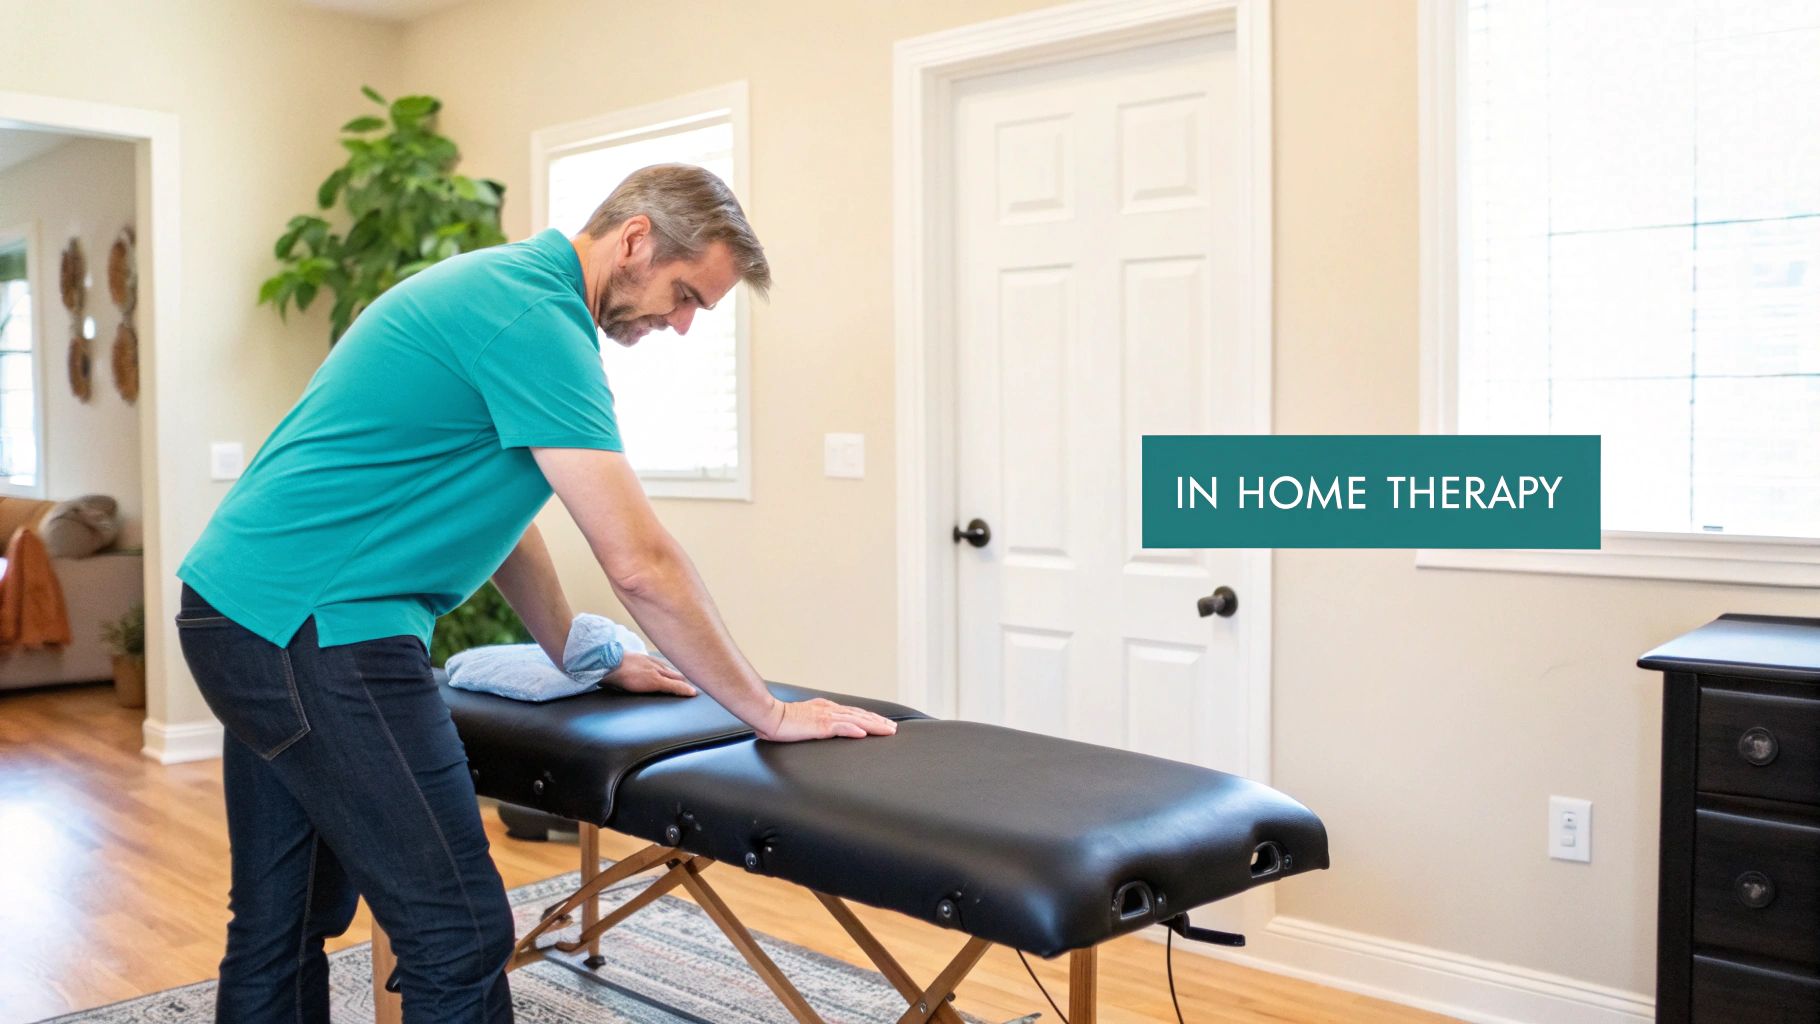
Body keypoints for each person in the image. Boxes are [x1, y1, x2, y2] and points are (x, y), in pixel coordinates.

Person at [173, 163, 897, 1024]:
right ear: (634, 240)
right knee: (458, 932)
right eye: (685, 294)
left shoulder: (504, 292)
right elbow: (642, 563)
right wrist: (766, 713)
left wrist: (578, 653)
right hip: (315, 632)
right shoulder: (536, 320)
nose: (682, 324)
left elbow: (501, 515)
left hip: (237, 613)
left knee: (284, 918)